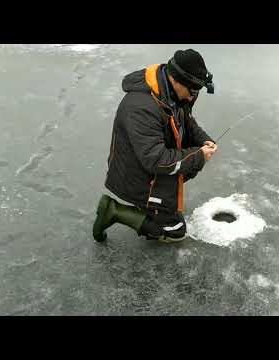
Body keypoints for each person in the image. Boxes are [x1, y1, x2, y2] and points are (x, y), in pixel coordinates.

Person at [93, 49, 218, 244]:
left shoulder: (170, 91)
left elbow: (187, 121)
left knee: (174, 219)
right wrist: (198, 156)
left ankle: (154, 208)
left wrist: (203, 141)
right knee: (174, 231)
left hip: (153, 166)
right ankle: (114, 211)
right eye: (193, 91)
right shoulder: (140, 107)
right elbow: (156, 160)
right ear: (176, 80)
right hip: (138, 176)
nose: (193, 98)